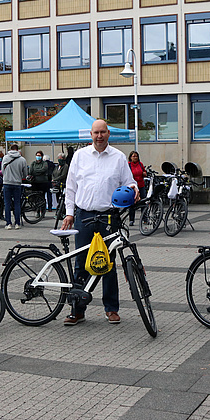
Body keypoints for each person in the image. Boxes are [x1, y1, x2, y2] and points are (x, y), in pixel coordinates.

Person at [62, 119, 139, 326]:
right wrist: (69, 214)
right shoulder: (80, 156)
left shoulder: (118, 157)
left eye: (103, 132)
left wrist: (134, 189)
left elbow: (129, 182)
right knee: (81, 264)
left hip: (108, 217)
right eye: (96, 132)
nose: (99, 136)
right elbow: (70, 187)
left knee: (109, 264)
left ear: (108, 133)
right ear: (91, 134)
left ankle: (111, 309)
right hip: (84, 216)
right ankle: (77, 309)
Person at [1, 144, 28, 230]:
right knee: (17, 203)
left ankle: (8, 223)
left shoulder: (5, 158)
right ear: (17, 149)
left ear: (10, 149)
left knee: (7, 203)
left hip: (7, 183)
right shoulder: (22, 160)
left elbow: (2, 170)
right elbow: (25, 173)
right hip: (17, 183)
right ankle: (17, 223)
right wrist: (20, 177)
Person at [127, 151, 147, 226]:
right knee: (132, 203)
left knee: (143, 202)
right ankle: (131, 219)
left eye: (136, 156)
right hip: (133, 187)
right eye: (133, 156)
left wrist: (144, 173)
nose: (135, 158)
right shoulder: (128, 165)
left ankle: (144, 218)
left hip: (141, 185)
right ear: (130, 157)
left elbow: (144, 172)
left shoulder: (140, 164)